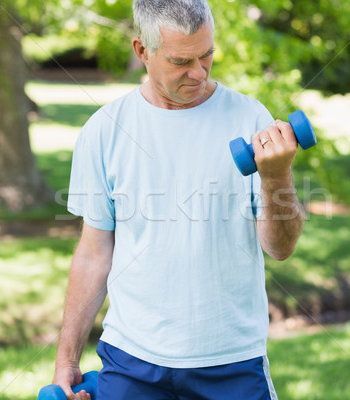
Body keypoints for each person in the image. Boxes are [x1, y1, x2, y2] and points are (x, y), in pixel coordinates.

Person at [52, 1, 305, 399]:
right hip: (131, 360)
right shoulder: (104, 131)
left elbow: (280, 248)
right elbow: (93, 253)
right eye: (181, 61)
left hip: (231, 361)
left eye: (207, 56)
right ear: (142, 51)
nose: (199, 73)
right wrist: (66, 360)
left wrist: (277, 176)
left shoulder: (250, 117)